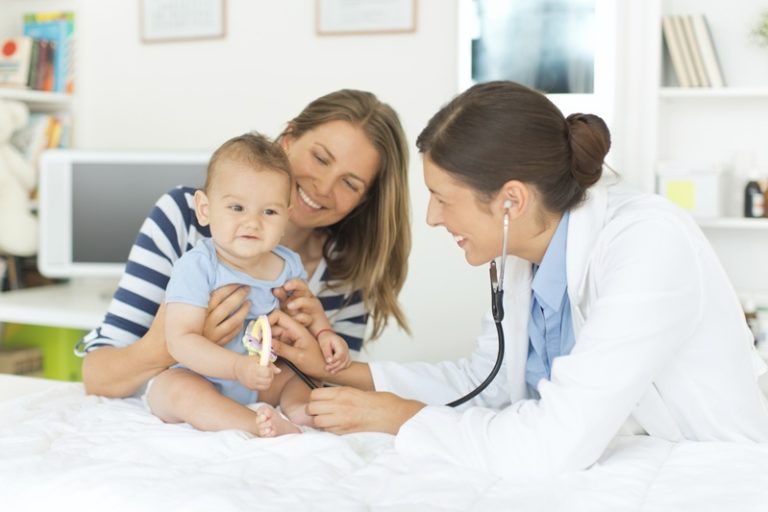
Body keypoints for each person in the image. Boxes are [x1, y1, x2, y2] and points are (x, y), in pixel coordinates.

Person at [269, 80, 768, 477]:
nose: (432, 218)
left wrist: (398, 416)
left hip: (708, 469)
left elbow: (556, 440)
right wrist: (343, 372)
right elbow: (482, 384)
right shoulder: (521, 256)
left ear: (511, 200)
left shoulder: (648, 242)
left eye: (442, 197)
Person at [77, 89, 411, 400]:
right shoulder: (184, 219)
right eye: (321, 158)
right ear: (288, 139)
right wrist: (181, 342)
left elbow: (330, 394)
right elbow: (97, 377)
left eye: (349, 183)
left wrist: (312, 351)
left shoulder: (347, 270)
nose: (323, 187)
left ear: (363, 201)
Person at [146, 132, 350, 437]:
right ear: (204, 209)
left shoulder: (288, 265)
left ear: (286, 218)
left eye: (269, 211)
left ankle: (300, 413)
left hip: (265, 377)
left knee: (301, 378)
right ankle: (253, 424)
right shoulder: (197, 266)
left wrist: (324, 332)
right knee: (174, 390)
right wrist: (236, 368)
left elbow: (305, 312)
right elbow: (181, 341)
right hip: (202, 375)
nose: (253, 222)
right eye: (237, 208)